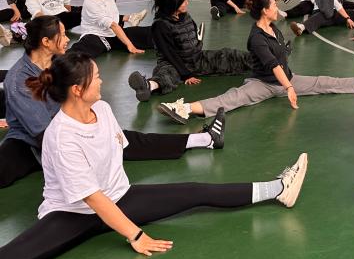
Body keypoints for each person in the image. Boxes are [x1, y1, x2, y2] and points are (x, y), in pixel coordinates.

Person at [0, 52, 306, 259]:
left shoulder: (102, 109)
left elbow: (122, 150)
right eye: (96, 76)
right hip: (72, 214)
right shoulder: (61, 136)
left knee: (195, 192)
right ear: (77, 90)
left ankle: (279, 189)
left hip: (120, 199)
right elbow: (93, 199)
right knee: (13, 257)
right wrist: (136, 235)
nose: (102, 80)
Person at [1, 17, 226, 190]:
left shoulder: (60, 63)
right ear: (46, 42)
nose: (68, 38)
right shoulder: (19, 80)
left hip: (72, 130)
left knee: (129, 140)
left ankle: (204, 139)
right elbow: (44, 135)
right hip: (29, 144)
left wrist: (97, 132)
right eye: (61, 35)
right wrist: (82, 151)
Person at [156, 0, 354, 124]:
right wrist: (289, 87)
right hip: (264, 84)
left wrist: (288, 81)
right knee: (231, 99)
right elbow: (273, 65)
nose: (276, 8)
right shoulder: (256, 37)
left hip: (287, 79)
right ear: (265, 11)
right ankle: (183, 108)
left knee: (323, 82)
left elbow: (281, 60)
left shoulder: (274, 28)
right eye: (273, 5)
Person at [129, 0, 253, 102]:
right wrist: (185, 74)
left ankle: (259, 61)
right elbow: (169, 53)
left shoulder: (185, 16)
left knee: (228, 55)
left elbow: (193, 34)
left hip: (197, 58)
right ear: (174, 4)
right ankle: (148, 86)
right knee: (167, 76)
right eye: (184, 1)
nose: (187, 2)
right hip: (173, 64)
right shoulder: (160, 25)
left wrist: (197, 46)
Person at [68, 0, 152, 58]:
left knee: (148, 32)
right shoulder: (91, 3)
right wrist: (130, 46)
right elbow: (113, 25)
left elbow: (112, 18)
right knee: (77, 55)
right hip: (97, 36)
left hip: (113, 34)